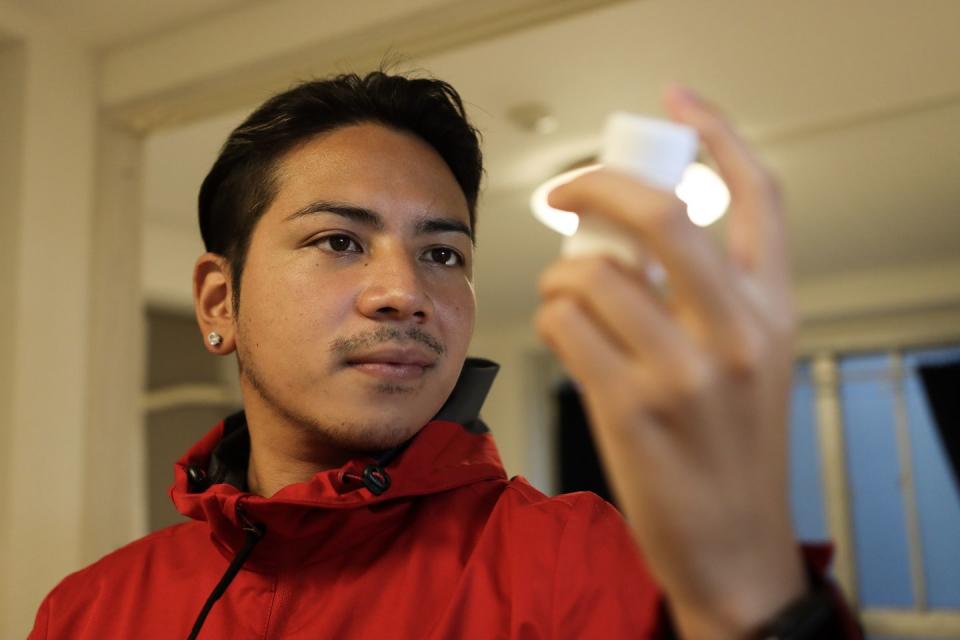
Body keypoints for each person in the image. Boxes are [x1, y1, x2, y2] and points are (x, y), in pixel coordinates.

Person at [29, 71, 862, 639]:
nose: (405, 292)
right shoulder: (89, 609)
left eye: (442, 253)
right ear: (220, 302)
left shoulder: (582, 563)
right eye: (338, 240)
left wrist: (757, 592)